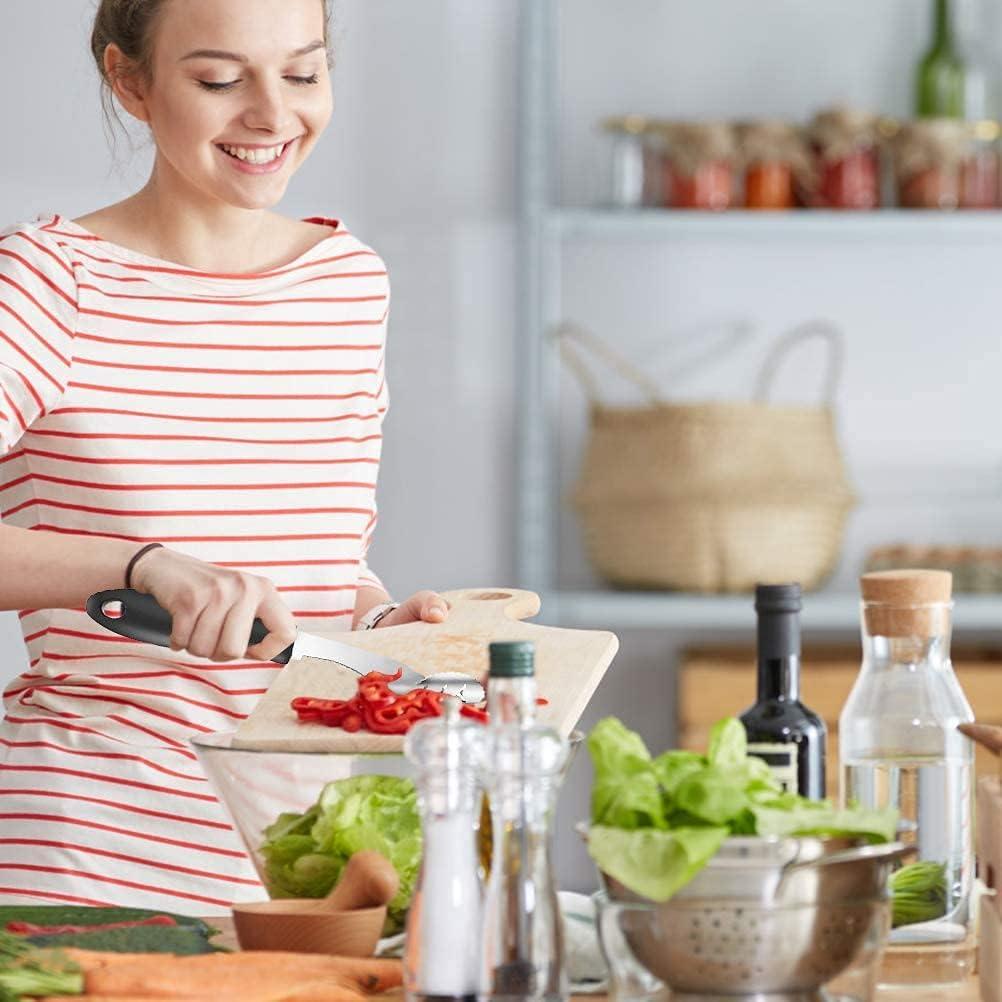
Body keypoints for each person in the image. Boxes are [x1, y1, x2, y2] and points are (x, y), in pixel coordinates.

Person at [0, 0, 450, 912]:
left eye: (303, 72)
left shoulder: (348, 283)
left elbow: (312, 557)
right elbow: (169, 568)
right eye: (218, 79)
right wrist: (134, 566)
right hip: (90, 847)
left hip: (303, 857)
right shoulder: (52, 282)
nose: (273, 116)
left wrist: (375, 625)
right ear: (131, 82)